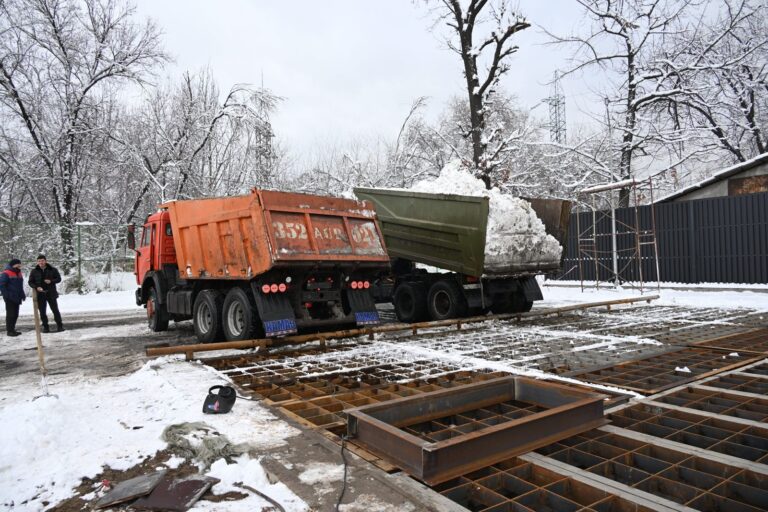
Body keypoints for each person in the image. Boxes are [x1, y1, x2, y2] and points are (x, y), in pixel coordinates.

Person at [28, 254, 64, 333]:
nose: (41, 262)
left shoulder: (53, 269)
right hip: (40, 294)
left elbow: (59, 279)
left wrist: (51, 281)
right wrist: (36, 287)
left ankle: (60, 326)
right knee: (42, 311)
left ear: (45, 261)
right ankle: (45, 327)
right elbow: (30, 282)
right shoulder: (34, 271)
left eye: (42, 261)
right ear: (37, 262)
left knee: (55, 310)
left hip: (51, 293)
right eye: (39, 261)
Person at [0, 258, 26, 337]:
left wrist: (22, 294)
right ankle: (9, 331)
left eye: (19, 264)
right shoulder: (6, 273)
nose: (19, 265)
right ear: (13, 265)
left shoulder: (19, 273)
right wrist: (6, 295)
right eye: (18, 264)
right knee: (11, 314)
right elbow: (1, 285)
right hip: (10, 297)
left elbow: (20, 286)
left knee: (15, 314)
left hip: (17, 297)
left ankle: (13, 329)